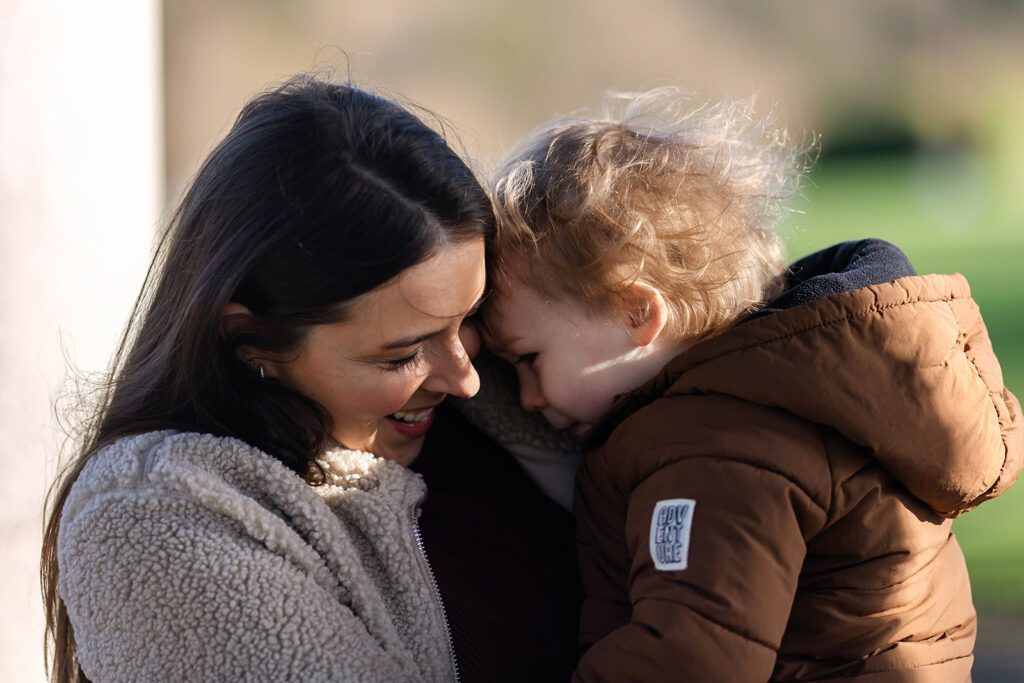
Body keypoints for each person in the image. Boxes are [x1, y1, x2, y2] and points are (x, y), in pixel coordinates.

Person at [41, 76, 581, 683]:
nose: (465, 379)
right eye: (400, 355)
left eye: (470, 319)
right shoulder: (153, 519)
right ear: (252, 342)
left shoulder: (528, 395)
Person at [480, 88, 1023, 681]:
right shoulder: (772, 402)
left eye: (529, 359)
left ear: (638, 313)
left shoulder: (713, 449)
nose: (527, 397)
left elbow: (690, 660)